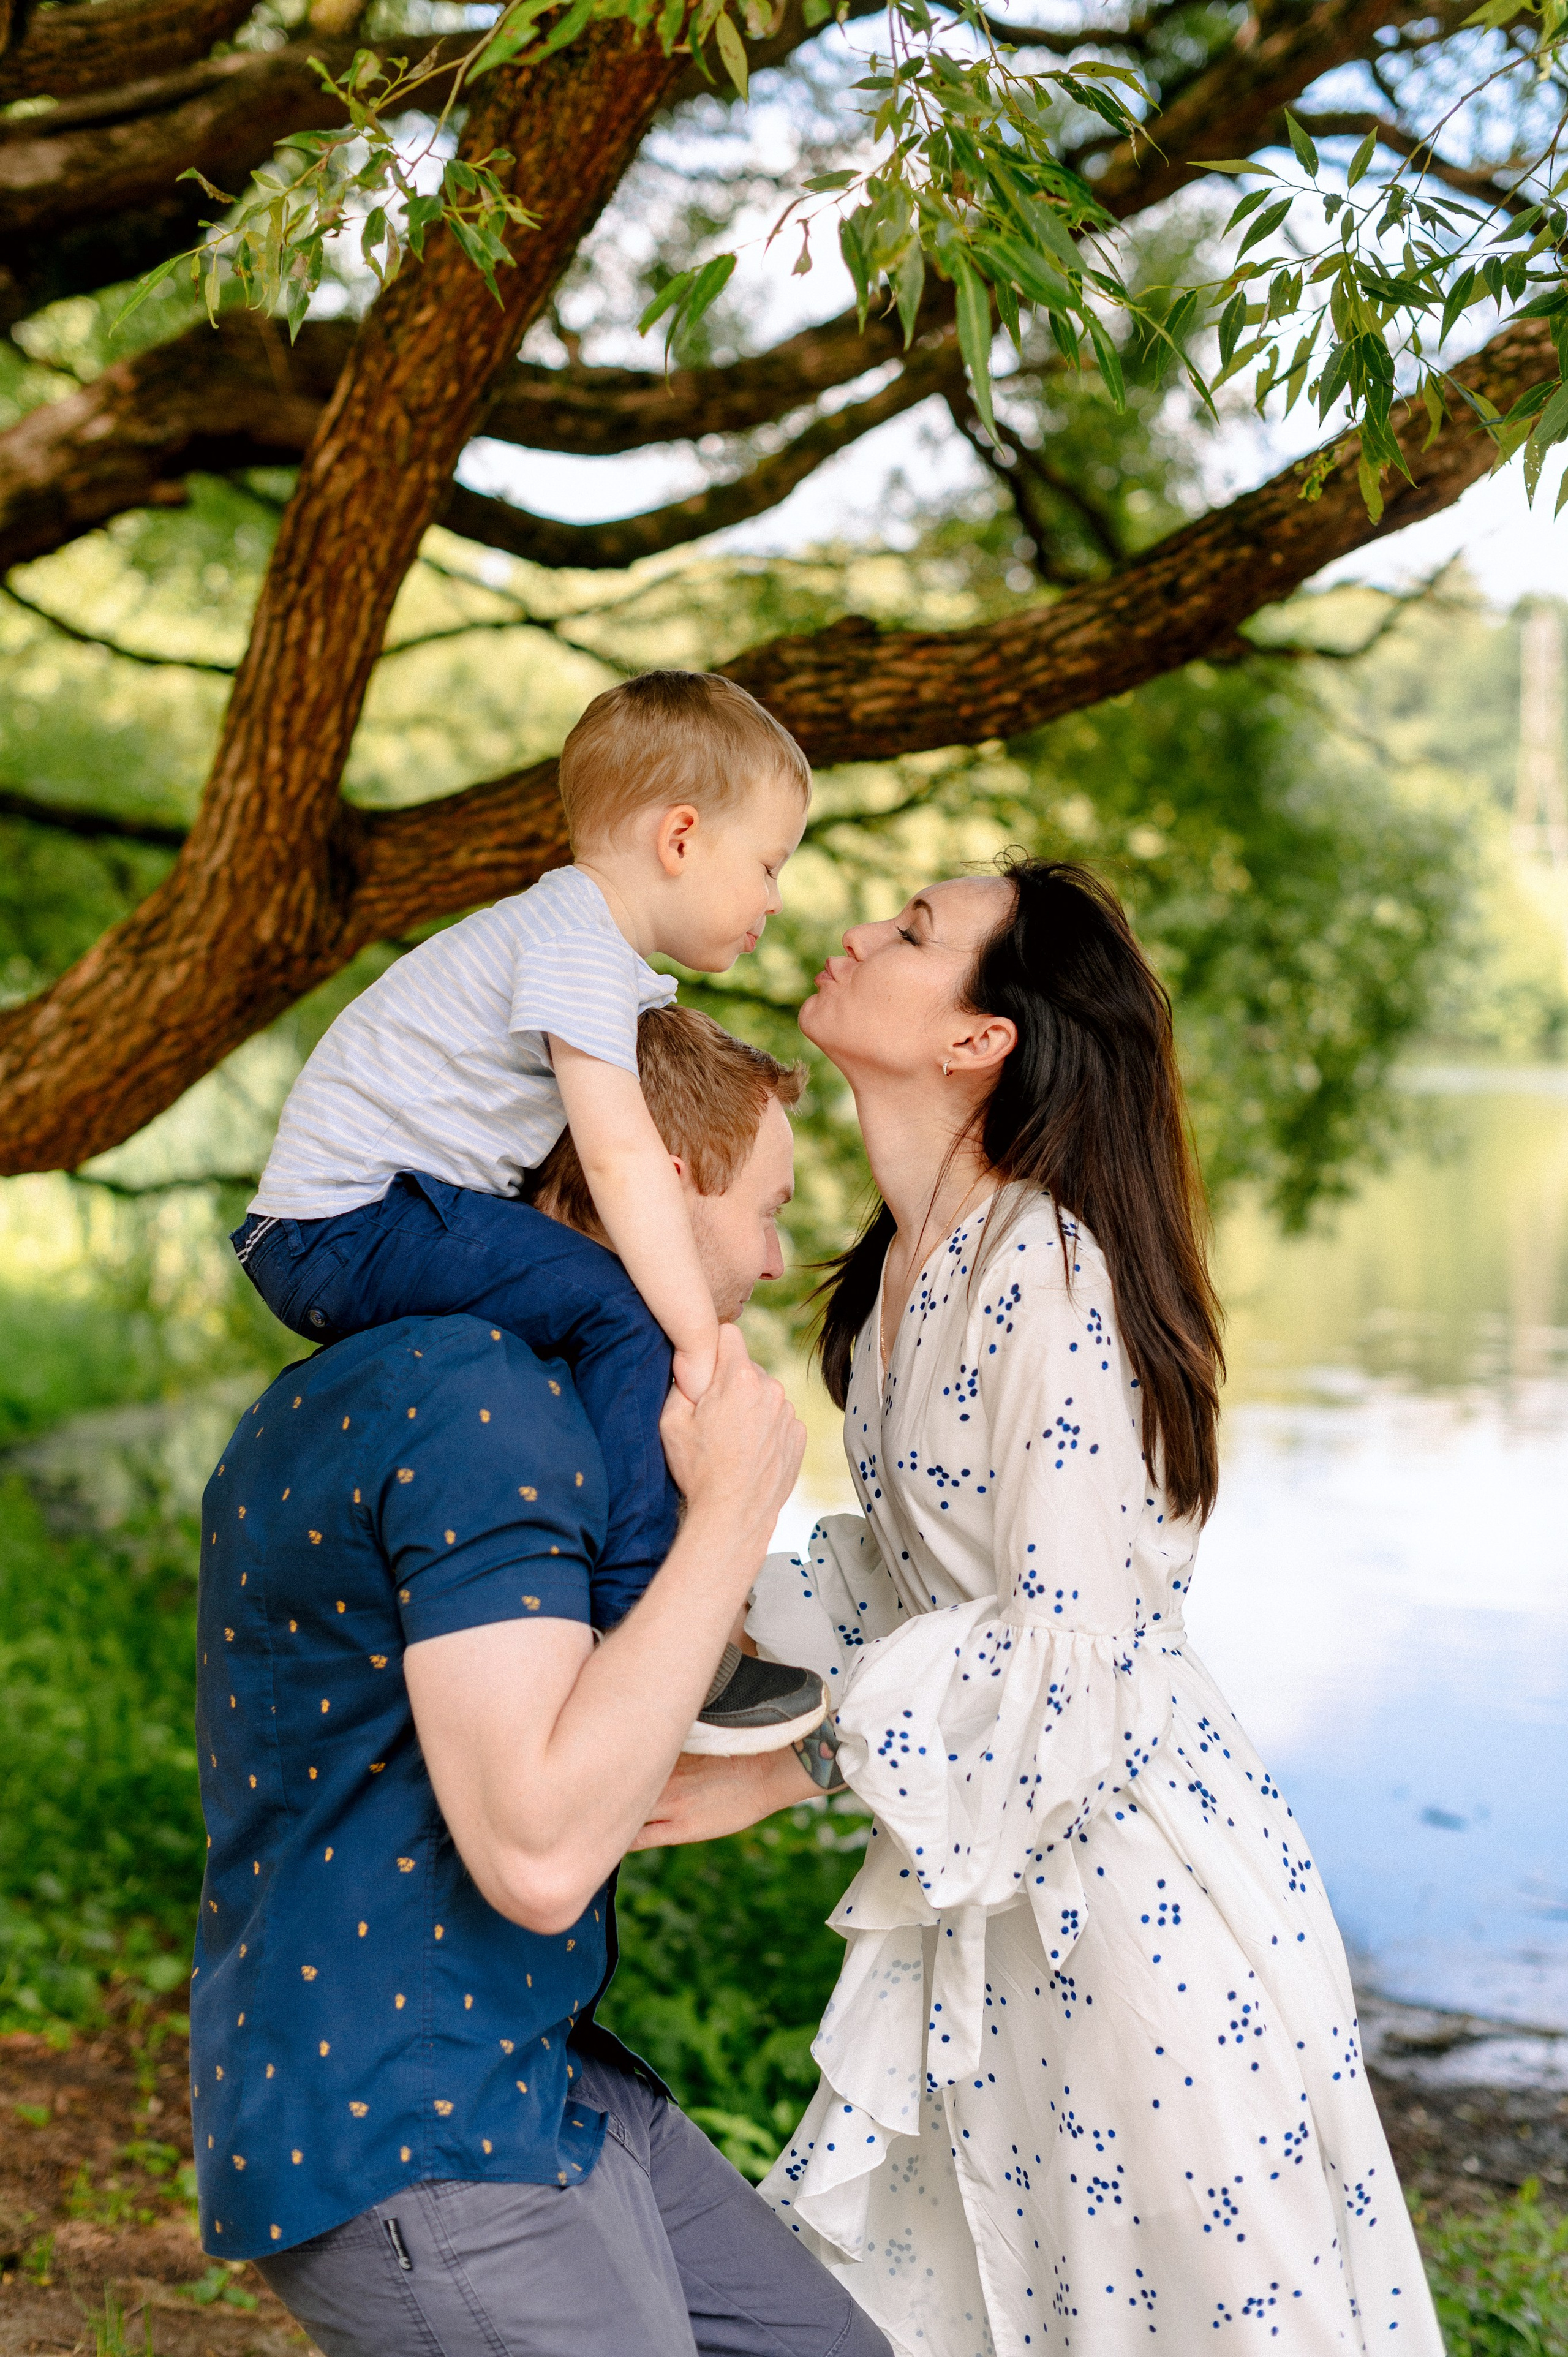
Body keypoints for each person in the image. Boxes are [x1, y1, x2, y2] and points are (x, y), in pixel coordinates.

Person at [646, 859, 1444, 2356]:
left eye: (910, 933)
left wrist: (787, 1765)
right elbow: (896, 1579)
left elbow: (1072, 1652)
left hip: (1135, 1895)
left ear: (977, 1038)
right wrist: (682, 1619)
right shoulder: (906, 1267)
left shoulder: (1052, 1272)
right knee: (1010, 2302)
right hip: (999, 1878)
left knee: (1195, 2312)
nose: (854, 933)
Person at [190, 1007, 889, 2357]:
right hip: (420, 2129)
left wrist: (810, 1754)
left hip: (525, 2076)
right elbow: (539, 1853)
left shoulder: (376, 1381)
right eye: (764, 1210)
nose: (766, 1259)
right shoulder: (477, 1406)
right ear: (667, 1180)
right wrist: (739, 1508)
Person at [229, 671, 822, 1754]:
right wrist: (696, 1339)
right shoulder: (572, 944)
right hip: (346, 1226)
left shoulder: (578, 946)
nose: (776, 897)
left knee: (593, 1305)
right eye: (771, 864)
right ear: (681, 837)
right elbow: (622, 1154)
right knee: (621, 1310)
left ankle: (605, 1568)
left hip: (362, 1218)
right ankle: (646, 1621)